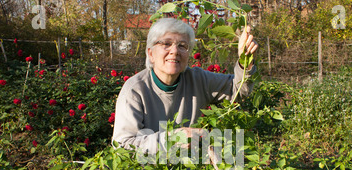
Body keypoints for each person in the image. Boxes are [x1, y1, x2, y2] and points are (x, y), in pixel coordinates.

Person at [111, 17, 258, 158]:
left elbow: (238, 90)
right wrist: (171, 140)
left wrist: (245, 61)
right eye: (166, 44)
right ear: (150, 53)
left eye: (182, 45)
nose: (175, 51)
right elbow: (122, 147)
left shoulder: (198, 79)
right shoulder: (135, 90)